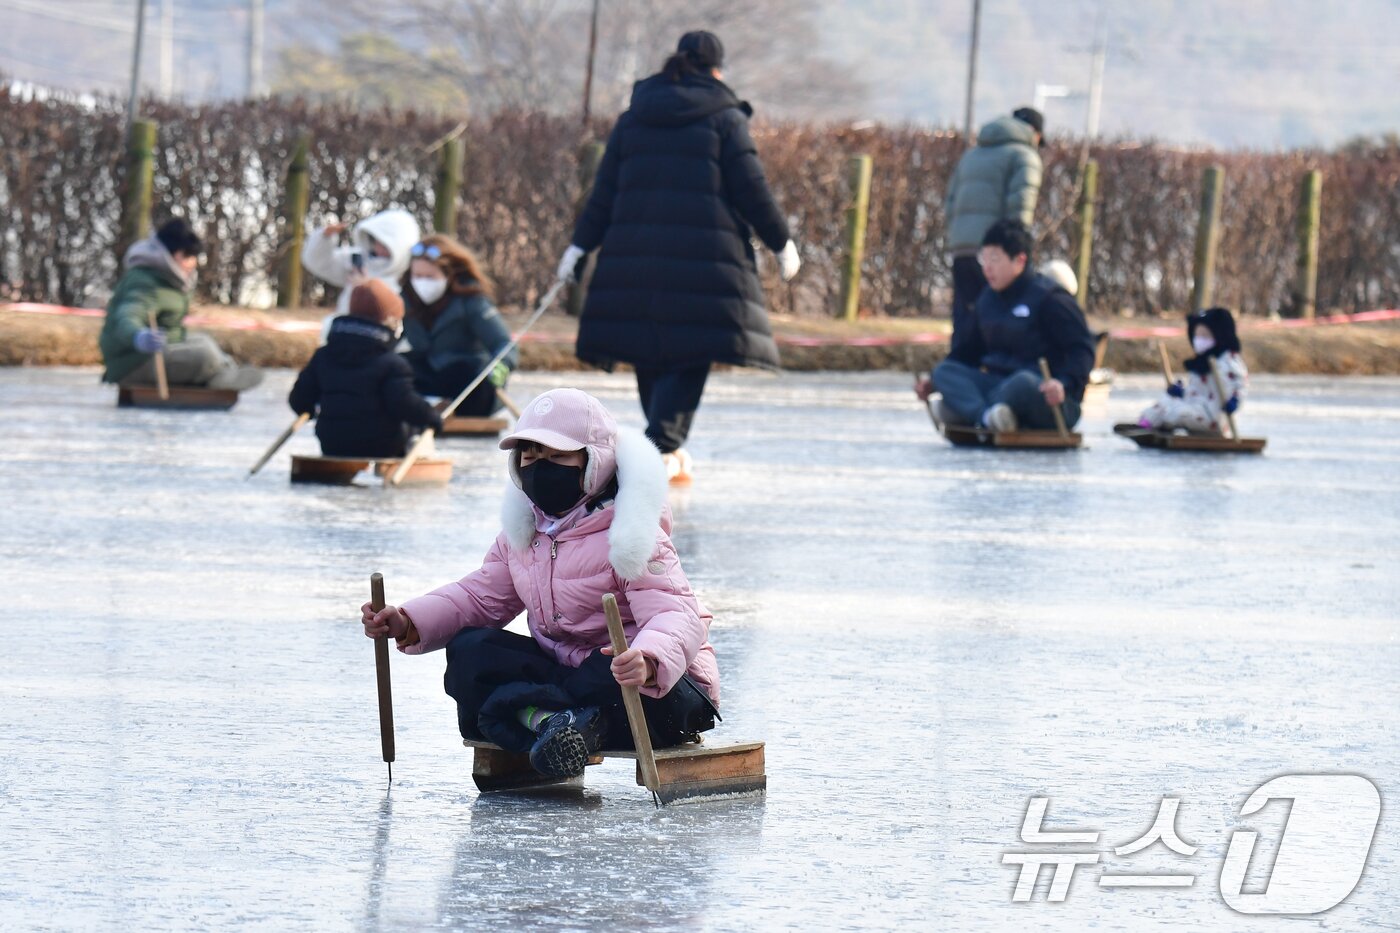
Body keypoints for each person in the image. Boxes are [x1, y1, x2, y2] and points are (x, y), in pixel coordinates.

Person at [361, 388, 720, 779]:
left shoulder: (632, 534)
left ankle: (553, 720)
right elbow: (478, 597)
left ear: (594, 461)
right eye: (530, 457)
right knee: (471, 650)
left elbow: (676, 613)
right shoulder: (526, 532)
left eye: (557, 457)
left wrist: (648, 660)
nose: (540, 468)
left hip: (657, 688)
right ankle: (556, 724)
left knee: (605, 672)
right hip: (569, 675)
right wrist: (408, 620)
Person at [556, 31, 800, 483]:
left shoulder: (633, 119)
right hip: (705, 261)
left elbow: (603, 193)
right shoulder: (725, 119)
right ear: (717, 71)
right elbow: (752, 189)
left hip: (636, 256)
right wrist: (781, 241)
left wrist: (579, 245)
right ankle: (659, 447)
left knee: (651, 350)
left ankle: (661, 445)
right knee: (693, 350)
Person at [917, 220, 1095, 432]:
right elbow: (968, 351)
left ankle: (968, 411)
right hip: (997, 384)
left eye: (995, 259)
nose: (987, 268)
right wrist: (933, 381)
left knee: (1022, 383)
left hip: (1044, 395)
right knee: (945, 371)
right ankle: (988, 416)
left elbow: (1082, 349)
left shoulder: (1050, 299)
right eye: (984, 259)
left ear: (1020, 260)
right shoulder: (986, 300)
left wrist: (1064, 384)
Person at [99, 218, 263, 391]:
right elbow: (126, 317)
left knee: (204, 340)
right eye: (189, 256)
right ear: (174, 253)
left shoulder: (165, 278)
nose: (193, 264)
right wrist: (139, 337)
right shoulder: (146, 283)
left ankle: (225, 370)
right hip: (132, 362)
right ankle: (217, 377)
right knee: (204, 356)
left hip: (153, 352)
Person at [288, 280, 443, 458]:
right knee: (416, 426)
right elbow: (404, 404)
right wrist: (432, 417)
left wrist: (309, 411)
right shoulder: (392, 364)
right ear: (390, 321)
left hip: (332, 443)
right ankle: (417, 454)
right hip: (383, 445)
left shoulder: (323, 356)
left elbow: (298, 400)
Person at [943, 107, 1045, 328]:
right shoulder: (1024, 156)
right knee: (1001, 322)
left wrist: (958, 238)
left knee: (965, 322)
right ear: (1034, 132)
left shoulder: (970, 155)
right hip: (999, 254)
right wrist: (1018, 250)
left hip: (962, 250)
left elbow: (950, 203)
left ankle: (959, 363)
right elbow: (1020, 207)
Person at [400, 235, 516, 415]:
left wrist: (501, 367)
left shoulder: (471, 300)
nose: (422, 283)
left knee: (475, 381)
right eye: (418, 276)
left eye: (430, 277)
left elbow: (503, 343)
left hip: (465, 374)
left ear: (448, 275)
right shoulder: (405, 300)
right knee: (398, 367)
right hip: (428, 371)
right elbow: (389, 338)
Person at [301, 208, 421, 342]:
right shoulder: (358, 261)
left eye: (386, 244)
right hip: (345, 332)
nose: (379, 248)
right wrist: (323, 238)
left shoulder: (413, 273)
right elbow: (319, 263)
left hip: (383, 342)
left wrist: (366, 288)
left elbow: (396, 311)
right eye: (376, 241)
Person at [1137, 307, 1248, 433]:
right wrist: (1182, 392)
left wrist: (1235, 401)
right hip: (1196, 407)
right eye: (1197, 335)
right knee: (1166, 402)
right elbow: (1198, 391)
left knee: (1177, 412)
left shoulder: (1228, 360)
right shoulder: (1201, 362)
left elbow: (1240, 385)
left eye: (1204, 336)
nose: (1199, 340)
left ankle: (1162, 426)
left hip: (1213, 415)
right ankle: (1145, 424)